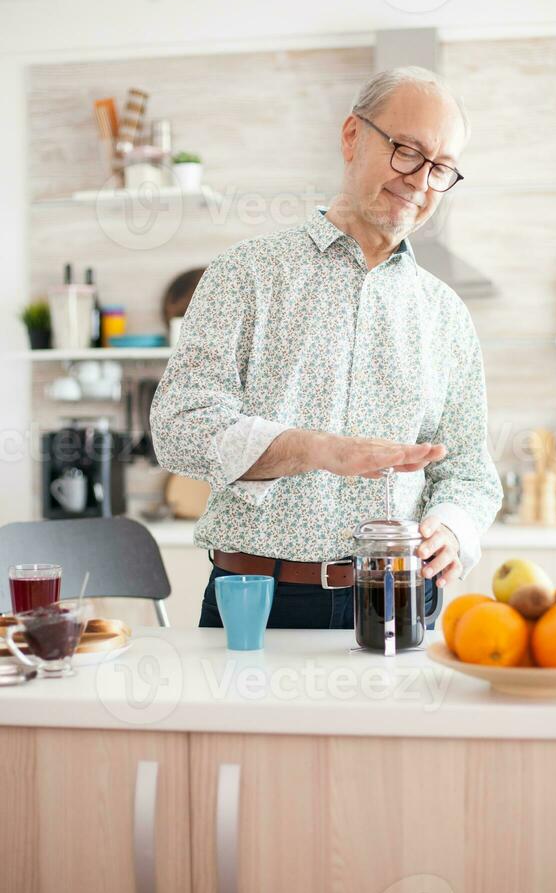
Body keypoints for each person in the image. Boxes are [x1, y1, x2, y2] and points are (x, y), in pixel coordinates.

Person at [150, 65, 503, 630]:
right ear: (351, 136)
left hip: (401, 598)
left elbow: (468, 471)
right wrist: (312, 449)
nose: (419, 180)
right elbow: (178, 428)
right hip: (261, 601)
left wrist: (454, 527)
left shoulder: (446, 315)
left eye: (440, 168)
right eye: (406, 150)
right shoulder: (246, 274)